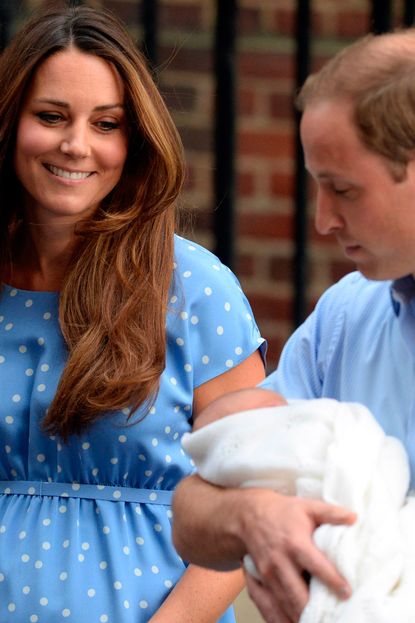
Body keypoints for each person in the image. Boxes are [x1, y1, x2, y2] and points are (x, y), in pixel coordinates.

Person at [0, 4, 267, 622]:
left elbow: (254, 492)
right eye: (51, 116)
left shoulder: (194, 288)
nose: (76, 145)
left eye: (106, 123)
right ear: (11, 123)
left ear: (134, 139)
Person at [172, 28, 415, 623]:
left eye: (343, 189)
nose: (322, 220)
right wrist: (253, 519)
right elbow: (192, 504)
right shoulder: (347, 317)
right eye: (316, 185)